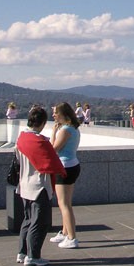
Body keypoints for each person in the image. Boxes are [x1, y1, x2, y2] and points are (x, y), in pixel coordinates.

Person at [16, 105, 66, 266]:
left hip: (24, 185)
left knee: (28, 220)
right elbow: (51, 161)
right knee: (39, 222)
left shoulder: (21, 138)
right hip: (39, 186)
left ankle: (22, 252)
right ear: (43, 123)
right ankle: (33, 255)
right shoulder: (40, 142)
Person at [49, 102, 81, 249]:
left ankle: (72, 237)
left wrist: (53, 133)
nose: (54, 115)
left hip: (64, 167)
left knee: (64, 204)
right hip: (71, 165)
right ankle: (64, 232)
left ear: (63, 114)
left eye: (56, 112)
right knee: (66, 203)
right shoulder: (72, 128)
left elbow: (53, 149)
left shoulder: (65, 130)